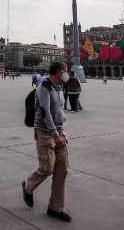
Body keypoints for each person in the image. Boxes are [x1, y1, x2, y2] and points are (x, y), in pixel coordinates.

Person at [22, 61, 71, 222]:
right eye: (65, 71)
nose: (67, 73)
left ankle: (55, 208)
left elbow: (59, 110)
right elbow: (45, 113)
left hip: (59, 132)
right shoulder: (44, 86)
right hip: (45, 133)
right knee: (47, 168)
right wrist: (54, 134)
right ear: (58, 72)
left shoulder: (60, 87)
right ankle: (28, 186)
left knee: (62, 170)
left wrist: (61, 130)